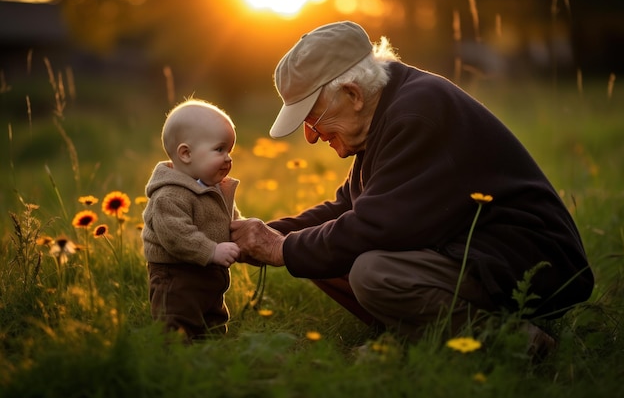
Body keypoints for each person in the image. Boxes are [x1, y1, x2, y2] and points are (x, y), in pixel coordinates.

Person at [231, 21, 594, 344]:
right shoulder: (384, 111)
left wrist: (281, 249)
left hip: (526, 265)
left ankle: (517, 344)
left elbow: (373, 227)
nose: (311, 137)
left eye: (313, 118)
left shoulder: (417, 114)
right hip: (474, 254)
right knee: (317, 251)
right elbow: (347, 207)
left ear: (353, 94)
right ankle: (412, 336)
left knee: (372, 272)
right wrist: (260, 237)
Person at [142, 98, 241, 342]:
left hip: (208, 272)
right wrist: (212, 250)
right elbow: (176, 235)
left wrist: (243, 231)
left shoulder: (212, 186)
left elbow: (227, 216)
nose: (228, 158)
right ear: (186, 153)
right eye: (220, 150)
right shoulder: (169, 194)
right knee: (177, 324)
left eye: (230, 150)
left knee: (213, 321)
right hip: (176, 276)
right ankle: (176, 364)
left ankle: (211, 357)